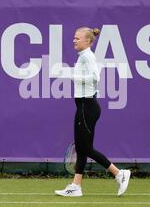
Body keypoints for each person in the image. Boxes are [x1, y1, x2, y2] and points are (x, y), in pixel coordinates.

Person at [55, 27, 131, 197]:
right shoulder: (83, 57)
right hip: (83, 108)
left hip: (87, 108)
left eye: (77, 38)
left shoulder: (88, 56)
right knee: (82, 149)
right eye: (74, 38)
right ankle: (76, 186)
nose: (74, 40)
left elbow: (95, 77)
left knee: (86, 148)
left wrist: (72, 75)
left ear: (87, 41)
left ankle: (119, 174)